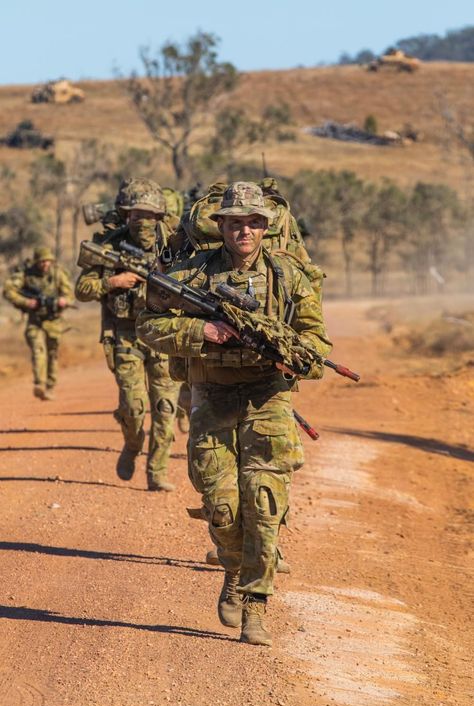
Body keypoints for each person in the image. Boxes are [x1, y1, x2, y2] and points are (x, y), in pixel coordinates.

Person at [136, 182, 332, 645]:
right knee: (223, 508)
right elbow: (148, 324)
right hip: (214, 396)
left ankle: (255, 604)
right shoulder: (191, 274)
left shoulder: (288, 276)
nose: (244, 231)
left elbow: (318, 343)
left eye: (253, 222)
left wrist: (293, 354)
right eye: (235, 222)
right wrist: (201, 329)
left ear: (266, 227)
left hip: (268, 396)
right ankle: (233, 568)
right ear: (220, 226)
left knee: (263, 501)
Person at [75, 177, 181, 491]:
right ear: (125, 216)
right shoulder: (109, 246)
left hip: (164, 335)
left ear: (160, 216)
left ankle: (157, 472)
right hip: (126, 335)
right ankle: (132, 444)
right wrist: (113, 282)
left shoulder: (174, 245)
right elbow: (82, 290)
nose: (143, 221)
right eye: (136, 215)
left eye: (149, 215)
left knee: (165, 408)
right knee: (133, 408)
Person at [3, 246, 74, 400]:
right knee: (38, 349)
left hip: (54, 320)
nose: (45, 265)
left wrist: (64, 301)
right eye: (42, 262)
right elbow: (8, 290)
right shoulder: (26, 275)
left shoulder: (58, 274)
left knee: (52, 353)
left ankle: (50, 386)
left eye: (47, 261)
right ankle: (39, 384)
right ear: (36, 262)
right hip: (34, 320)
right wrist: (26, 302)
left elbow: (69, 294)